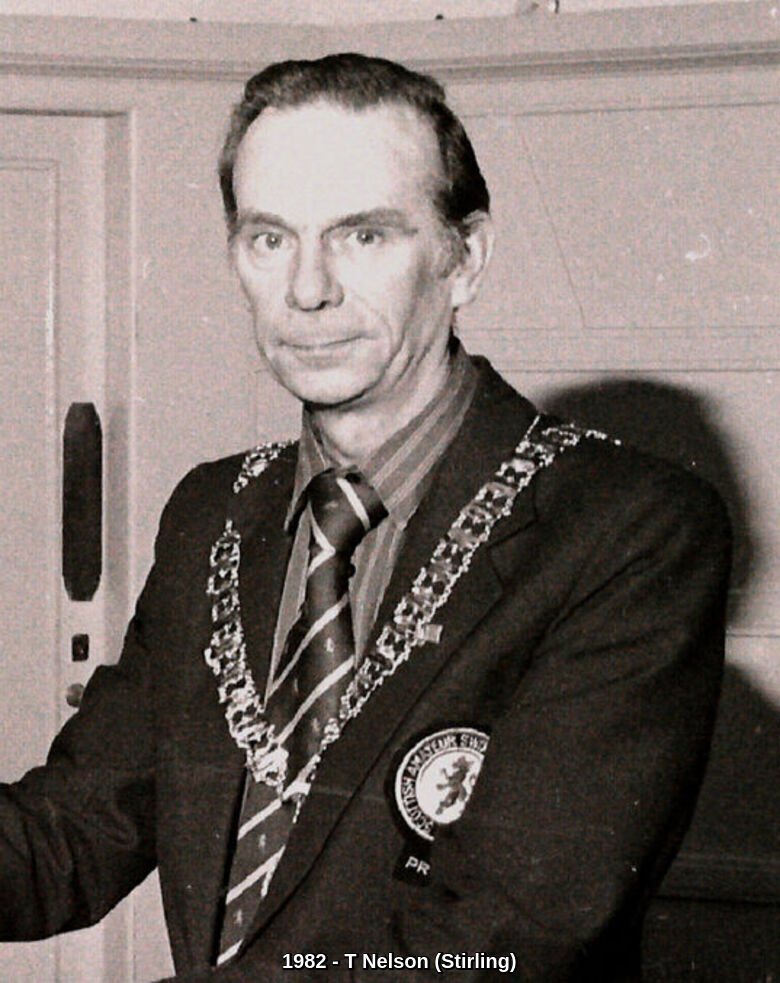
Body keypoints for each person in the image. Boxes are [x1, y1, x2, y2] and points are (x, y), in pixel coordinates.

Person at [0, 53, 731, 982]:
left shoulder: (625, 529)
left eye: (364, 235)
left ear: (465, 258)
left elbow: (491, 943)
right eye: (271, 238)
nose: (307, 290)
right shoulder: (213, 513)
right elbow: (71, 832)